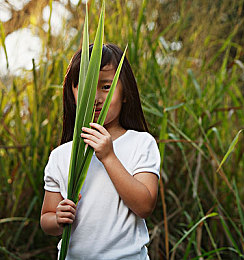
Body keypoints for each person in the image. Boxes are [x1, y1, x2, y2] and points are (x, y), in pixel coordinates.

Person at [40, 43, 160, 259]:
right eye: (86, 87)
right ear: (72, 92)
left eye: (106, 87)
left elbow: (145, 206)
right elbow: (46, 219)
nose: (95, 98)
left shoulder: (141, 143)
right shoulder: (61, 155)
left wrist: (108, 157)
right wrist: (58, 218)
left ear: (125, 93)